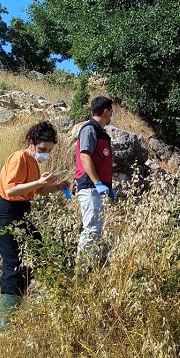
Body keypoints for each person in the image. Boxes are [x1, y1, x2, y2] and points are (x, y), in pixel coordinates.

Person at [0, 120, 70, 329]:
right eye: (43, 149)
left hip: (19, 214)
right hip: (5, 213)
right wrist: (39, 183)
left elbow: (39, 191)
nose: (45, 154)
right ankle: (5, 323)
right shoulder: (19, 158)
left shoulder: (33, 162)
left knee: (36, 254)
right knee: (15, 264)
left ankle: (16, 309)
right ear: (31, 142)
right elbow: (11, 190)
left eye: (49, 151)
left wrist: (57, 186)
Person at [74, 96, 115, 267]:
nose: (112, 115)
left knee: (96, 230)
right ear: (106, 111)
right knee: (91, 230)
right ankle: (81, 273)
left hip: (97, 188)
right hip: (90, 188)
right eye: (111, 111)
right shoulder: (89, 129)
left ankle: (91, 267)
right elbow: (85, 156)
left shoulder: (100, 132)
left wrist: (107, 186)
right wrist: (97, 183)